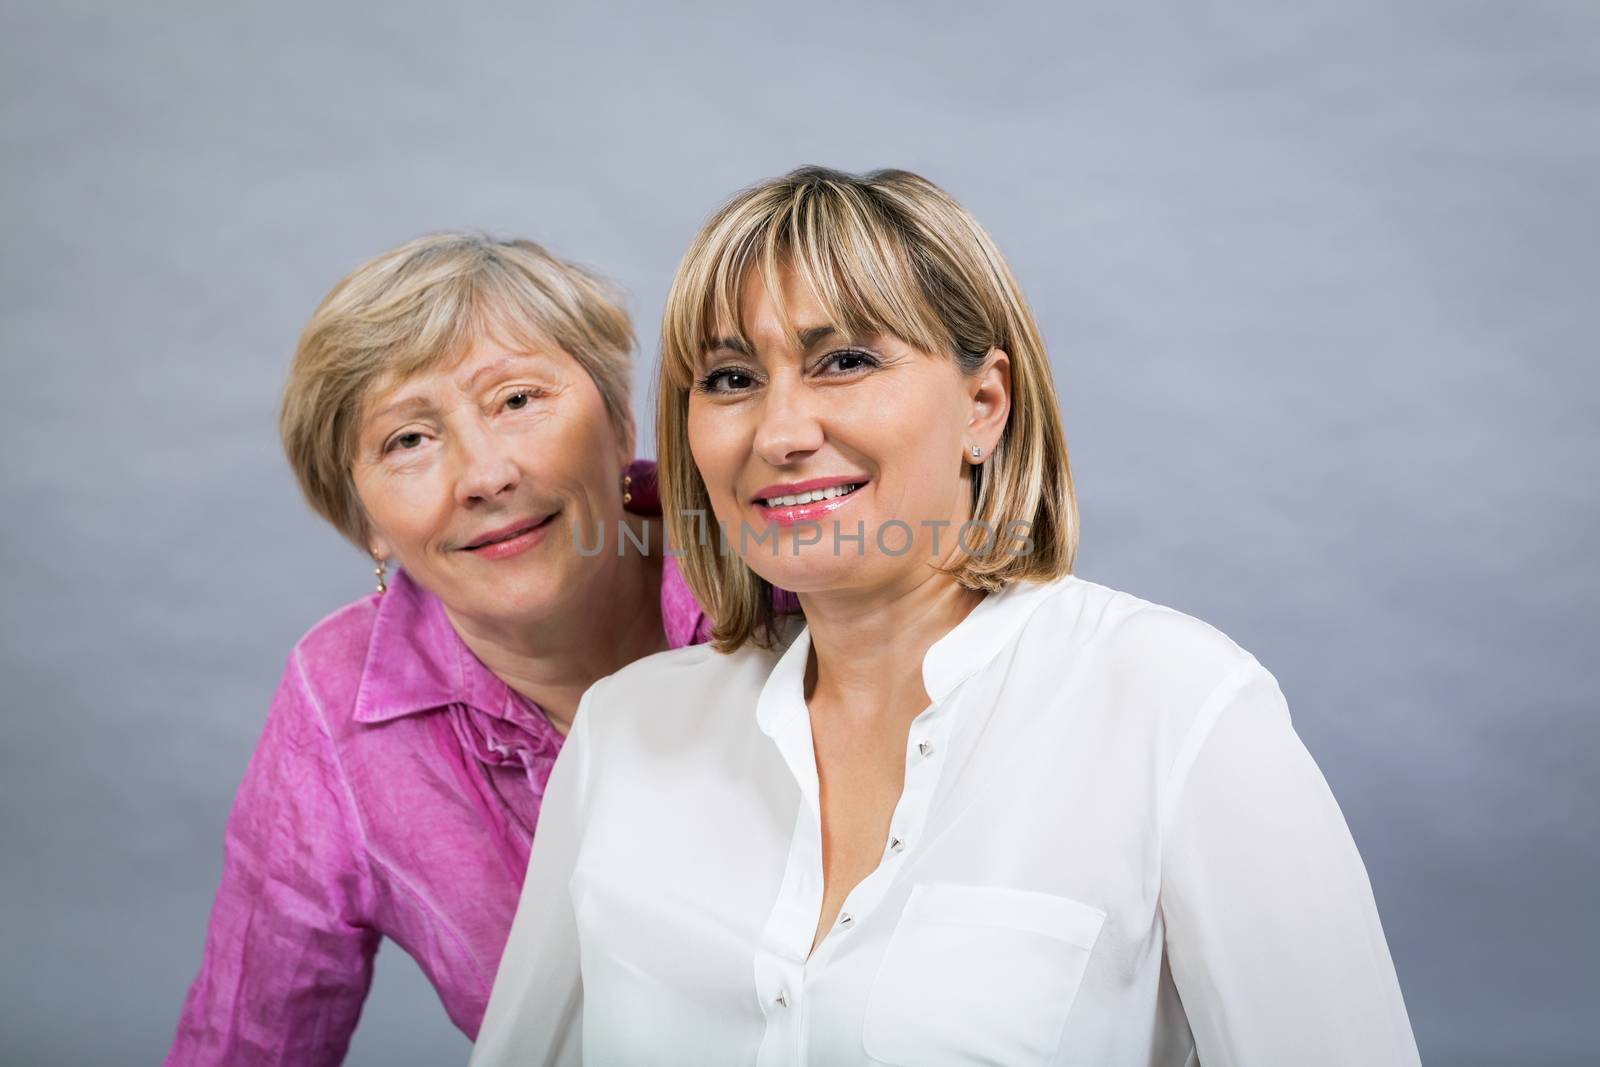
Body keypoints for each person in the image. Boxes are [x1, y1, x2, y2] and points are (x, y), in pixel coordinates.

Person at [472, 167, 1422, 1065]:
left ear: (984, 406)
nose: (781, 431)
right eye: (729, 379)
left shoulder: (1176, 708)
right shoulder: (628, 730)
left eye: (844, 361)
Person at [165, 233, 709, 1065]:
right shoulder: (339, 701)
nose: (483, 475)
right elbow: (248, 1039)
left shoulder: (770, 565)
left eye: (518, 399)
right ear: (367, 525)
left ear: (621, 422)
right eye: (408, 440)